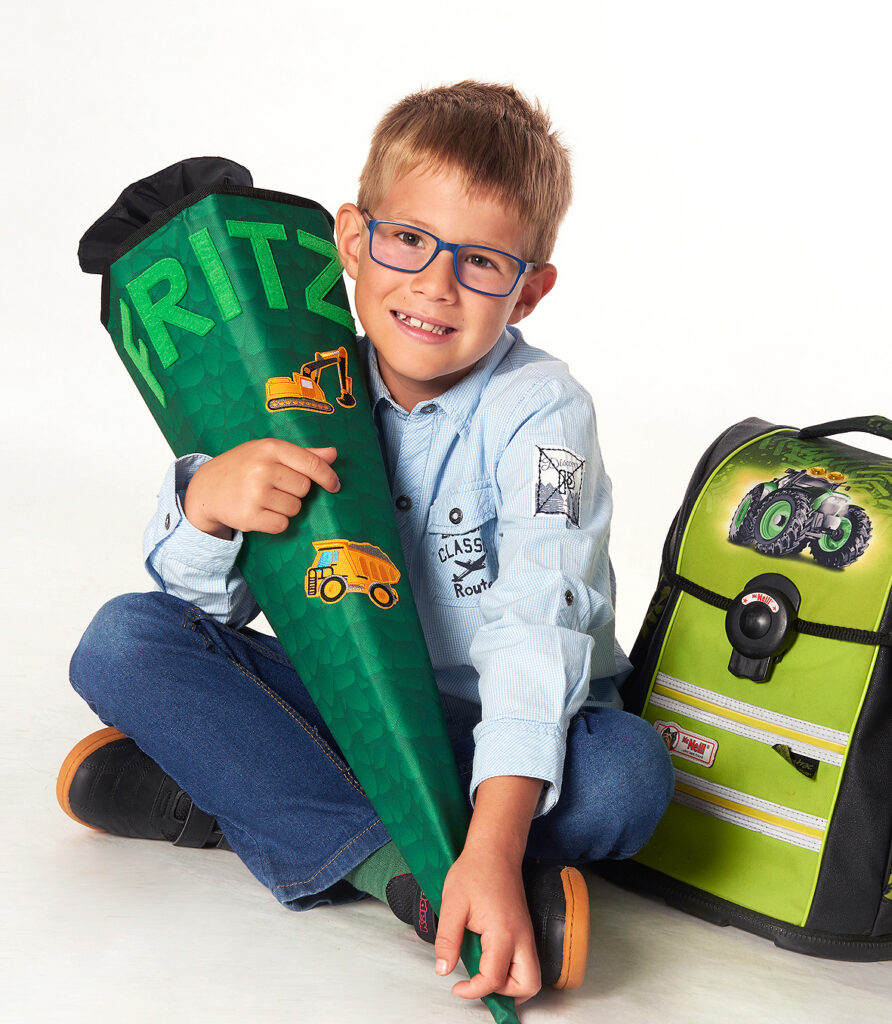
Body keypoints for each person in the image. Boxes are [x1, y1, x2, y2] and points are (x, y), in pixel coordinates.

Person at [59, 81, 674, 1007]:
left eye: (481, 262)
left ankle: (241, 800)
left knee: (628, 777)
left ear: (529, 290)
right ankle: (409, 873)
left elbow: (538, 626)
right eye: (409, 240)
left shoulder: (543, 413)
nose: (434, 285)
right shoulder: (293, 379)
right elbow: (207, 611)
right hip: (349, 707)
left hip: (497, 734)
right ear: (351, 240)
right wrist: (211, 504)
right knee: (123, 639)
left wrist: (497, 839)